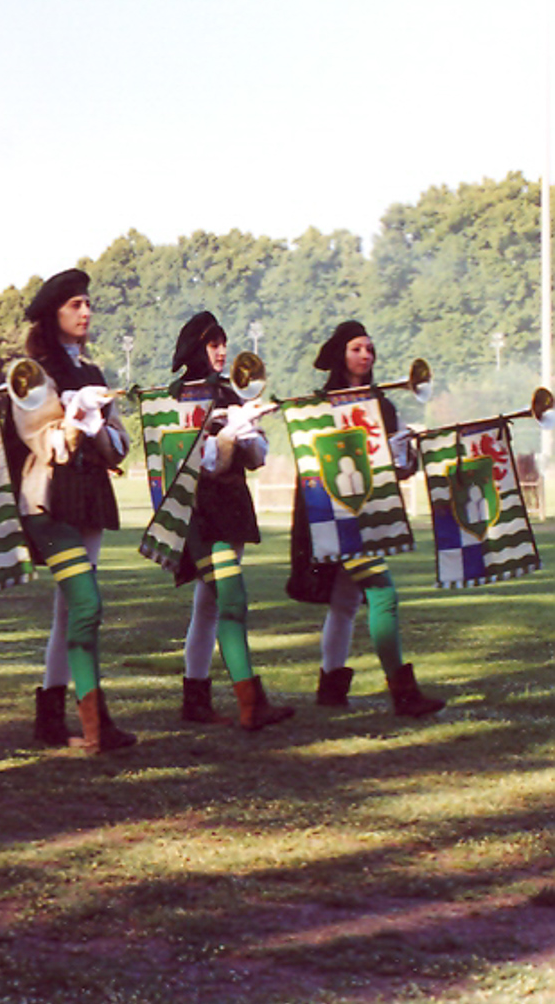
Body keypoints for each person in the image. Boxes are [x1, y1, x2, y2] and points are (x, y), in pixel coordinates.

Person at [6, 269, 135, 754]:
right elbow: (45, 442)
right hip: (49, 498)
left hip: (89, 494)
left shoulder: (94, 372)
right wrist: (76, 420)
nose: (86, 312)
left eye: (87, 303)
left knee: (68, 611)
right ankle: (96, 723)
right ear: (52, 314)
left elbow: (119, 444)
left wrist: (95, 424)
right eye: (75, 305)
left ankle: (49, 720)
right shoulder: (31, 373)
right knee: (85, 604)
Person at [289, 321, 445, 717]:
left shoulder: (383, 406)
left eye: (370, 349)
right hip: (338, 515)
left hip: (369, 513)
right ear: (340, 355)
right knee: (382, 594)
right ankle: (403, 694)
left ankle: (330, 689)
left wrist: (406, 448)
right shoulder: (320, 407)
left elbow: (399, 471)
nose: (366, 356)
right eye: (357, 348)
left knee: (344, 603)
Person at [171, 311, 295, 731]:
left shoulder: (230, 392)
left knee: (208, 606)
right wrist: (228, 434)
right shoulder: (180, 397)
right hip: (202, 511)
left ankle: (195, 699)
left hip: (231, 506)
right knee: (231, 599)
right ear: (196, 349)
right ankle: (250, 702)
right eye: (213, 344)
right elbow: (203, 464)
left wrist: (248, 430)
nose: (222, 351)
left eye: (224, 342)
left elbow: (255, 460)